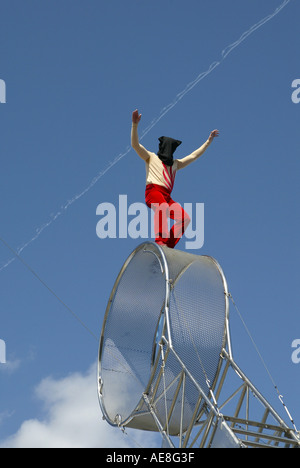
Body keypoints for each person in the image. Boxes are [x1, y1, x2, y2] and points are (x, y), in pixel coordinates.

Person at [131, 109, 219, 249]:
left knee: (185, 218)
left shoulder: (175, 164)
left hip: (167, 196)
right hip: (153, 191)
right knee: (163, 207)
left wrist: (208, 141)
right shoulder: (151, 157)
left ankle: (168, 246)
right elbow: (135, 145)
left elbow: (193, 156)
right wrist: (134, 125)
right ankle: (160, 240)